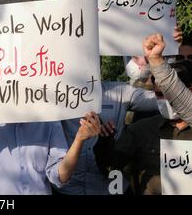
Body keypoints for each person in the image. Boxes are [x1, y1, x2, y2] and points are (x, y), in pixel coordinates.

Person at [55, 26, 183, 195]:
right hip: (67, 190)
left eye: (90, 60)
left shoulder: (121, 92)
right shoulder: (51, 98)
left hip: (110, 189)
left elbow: (172, 98)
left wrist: (172, 55)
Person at [94, 61, 192, 194]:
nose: (165, 100)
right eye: (159, 94)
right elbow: (111, 167)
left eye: (170, 94)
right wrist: (105, 141)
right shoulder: (140, 130)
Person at [144, 33, 192, 125]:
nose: (168, 99)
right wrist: (155, 59)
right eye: (159, 94)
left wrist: (156, 59)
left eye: (190, 58)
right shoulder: (140, 130)